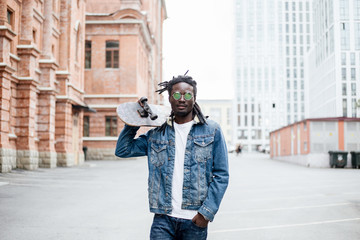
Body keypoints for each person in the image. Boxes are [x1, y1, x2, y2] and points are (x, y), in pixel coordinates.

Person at [115, 74, 229, 240]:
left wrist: (206, 213)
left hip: (194, 220)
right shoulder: (156, 134)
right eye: (176, 94)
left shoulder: (212, 130)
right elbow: (123, 150)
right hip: (163, 219)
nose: (182, 99)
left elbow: (221, 175)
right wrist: (135, 120)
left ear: (194, 98)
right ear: (169, 98)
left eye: (187, 95)